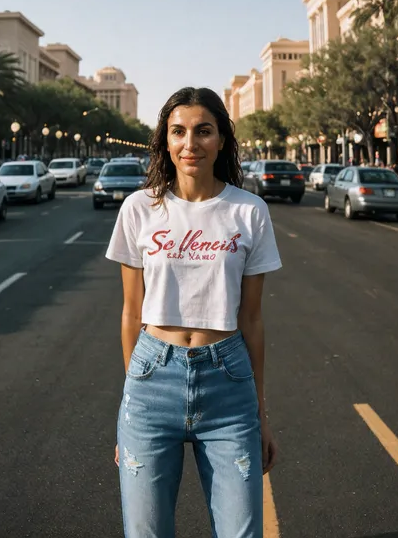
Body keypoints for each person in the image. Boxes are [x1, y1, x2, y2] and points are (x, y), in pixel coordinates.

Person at [106, 87, 282, 538]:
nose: (191, 143)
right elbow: (131, 313)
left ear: (221, 139)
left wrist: (260, 414)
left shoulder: (250, 212)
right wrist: (131, 402)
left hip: (228, 385)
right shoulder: (139, 209)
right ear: (165, 141)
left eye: (204, 131)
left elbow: (253, 320)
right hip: (152, 380)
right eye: (178, 132)